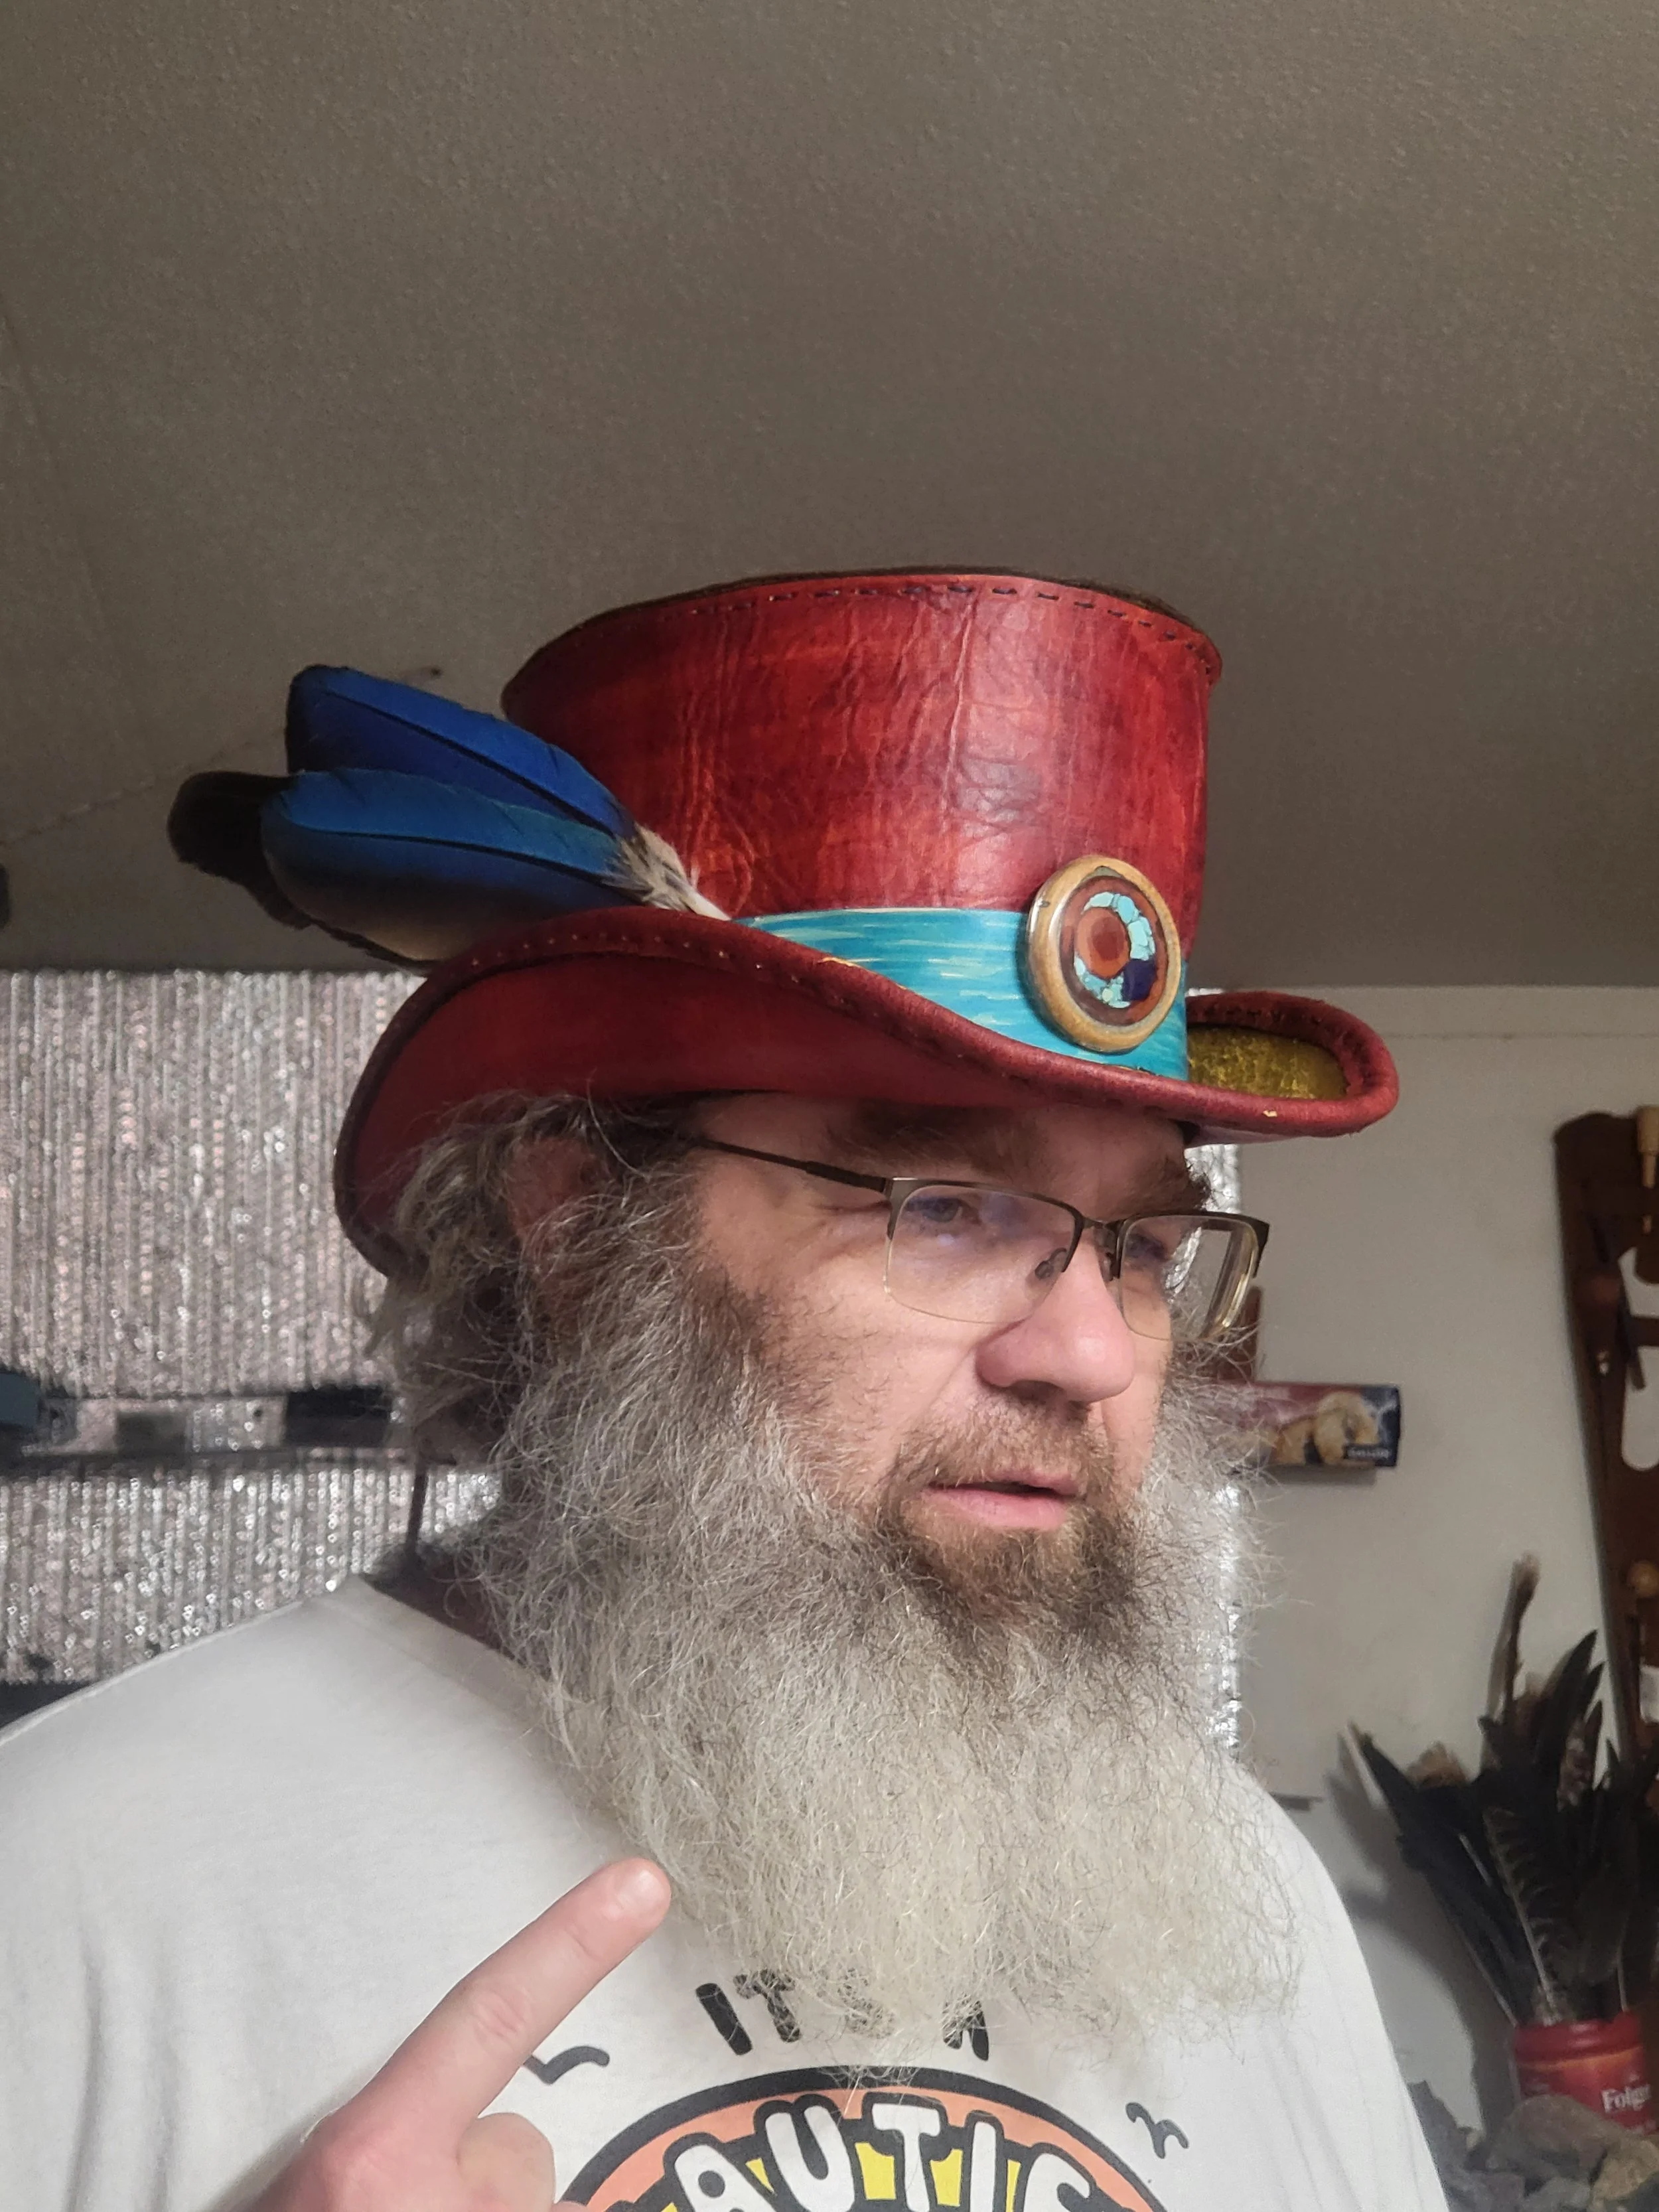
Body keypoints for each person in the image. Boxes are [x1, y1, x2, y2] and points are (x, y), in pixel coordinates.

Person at [0, 571, 1443, 2212]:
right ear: (580, 1232)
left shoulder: (1237, 1887)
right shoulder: (69, 1873)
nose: (1092, 1354)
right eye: (939, 1205)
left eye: (1138, 1246)